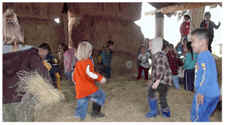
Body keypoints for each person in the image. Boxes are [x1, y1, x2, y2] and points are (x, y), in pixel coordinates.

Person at [190, 28, 220, 122]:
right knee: (204, 118)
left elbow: (206, 75)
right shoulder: (208, 55)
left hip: (204, 94)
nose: (191, 44)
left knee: (197, 118)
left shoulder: (203, 56)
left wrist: (201, 92)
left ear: (202, 42)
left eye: (193, 41)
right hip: (213, 94)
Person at [73, 41, 107, 120]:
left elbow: (74, 76)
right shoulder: (88, 62)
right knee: (101, 95)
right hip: (88, 87)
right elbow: (90, 73)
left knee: (82, 101)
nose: (91, 53)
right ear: (88, 52)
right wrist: (100, 78)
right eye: (91, 51)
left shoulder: (78, 63)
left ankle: (79, 116)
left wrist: (76, 83)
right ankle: (95, 112)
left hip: (79, 88)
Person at [145, 37, 173, 118]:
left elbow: (160, 69)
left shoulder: (159, 56)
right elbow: (155, 70)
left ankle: (154, 111)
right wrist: (152, 80)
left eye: (151, 45)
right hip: (163, 80)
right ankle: (166, 112)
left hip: (162, 81)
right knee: (162, 96)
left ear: (156, 45)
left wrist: (156, 82)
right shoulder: (157, 55)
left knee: (151, 92)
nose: (149, 47)